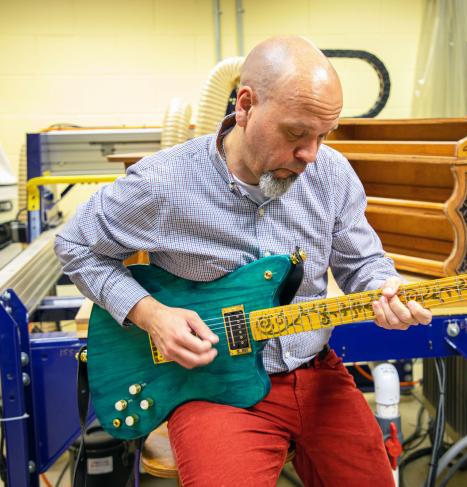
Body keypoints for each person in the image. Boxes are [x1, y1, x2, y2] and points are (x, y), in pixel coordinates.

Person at [55, 36, 432, 487]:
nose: (311, 154)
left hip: (315, 373)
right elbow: (75, 245)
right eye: (296, 133)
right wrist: (151, 315)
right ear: (246, 105)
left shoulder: (331, 174)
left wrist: (383, 288)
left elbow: (363, 264)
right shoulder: (164, 183)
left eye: (322, 135)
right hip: (211, 386)